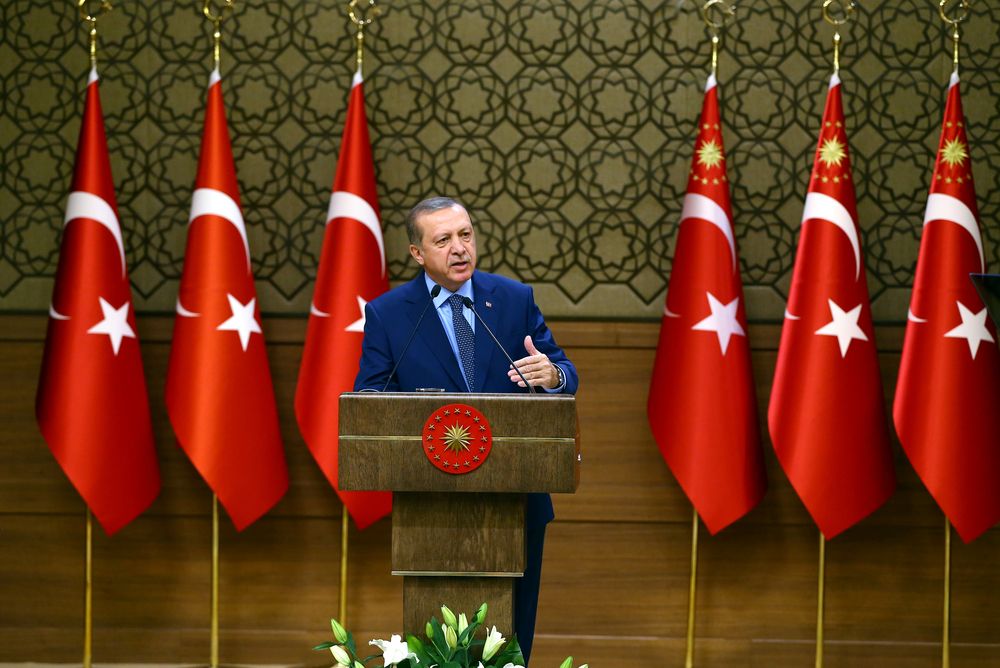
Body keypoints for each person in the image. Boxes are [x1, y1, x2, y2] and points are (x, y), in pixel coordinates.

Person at [354, 196, 579, 662]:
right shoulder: (389, 314)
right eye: (443, 240)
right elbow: (370, 399)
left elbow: (563, 370)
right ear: (417, 253)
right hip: (429, 505)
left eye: (466, 235)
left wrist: (552, 375)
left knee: (513, 636)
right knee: (436, 639)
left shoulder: (514, 299)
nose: (459, 248)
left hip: (517, 496)